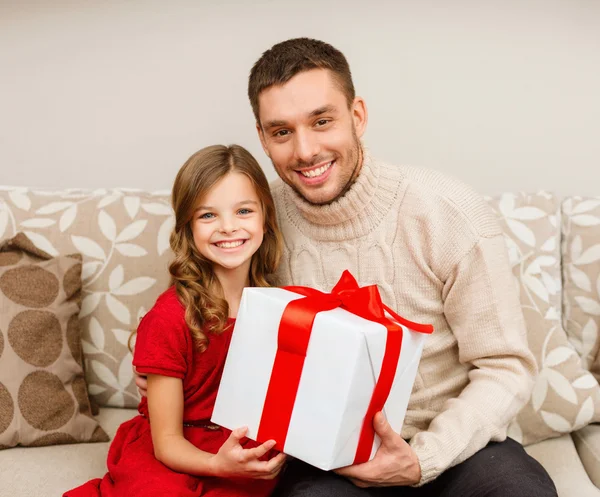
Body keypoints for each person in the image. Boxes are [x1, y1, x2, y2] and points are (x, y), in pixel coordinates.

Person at [138, 38, 558, 496]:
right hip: (324, 458)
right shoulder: (254, 221)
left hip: (454, 447)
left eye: (322, 121)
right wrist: (155, 360)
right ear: (262, 137)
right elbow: (202, 301)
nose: (305, 150)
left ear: (357, 115)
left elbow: (506, 366)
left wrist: (424, 459)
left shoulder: (449, 213)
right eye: (281, 132)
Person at [65, 144, 286, 497]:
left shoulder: (277, 307)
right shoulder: (169, 318)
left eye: (244, 210)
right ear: (187, 226)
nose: (228, 227)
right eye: (208, 215)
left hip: (234, 447)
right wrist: (217, 465)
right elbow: (166, 441)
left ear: (265, 218)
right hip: (171, 449)